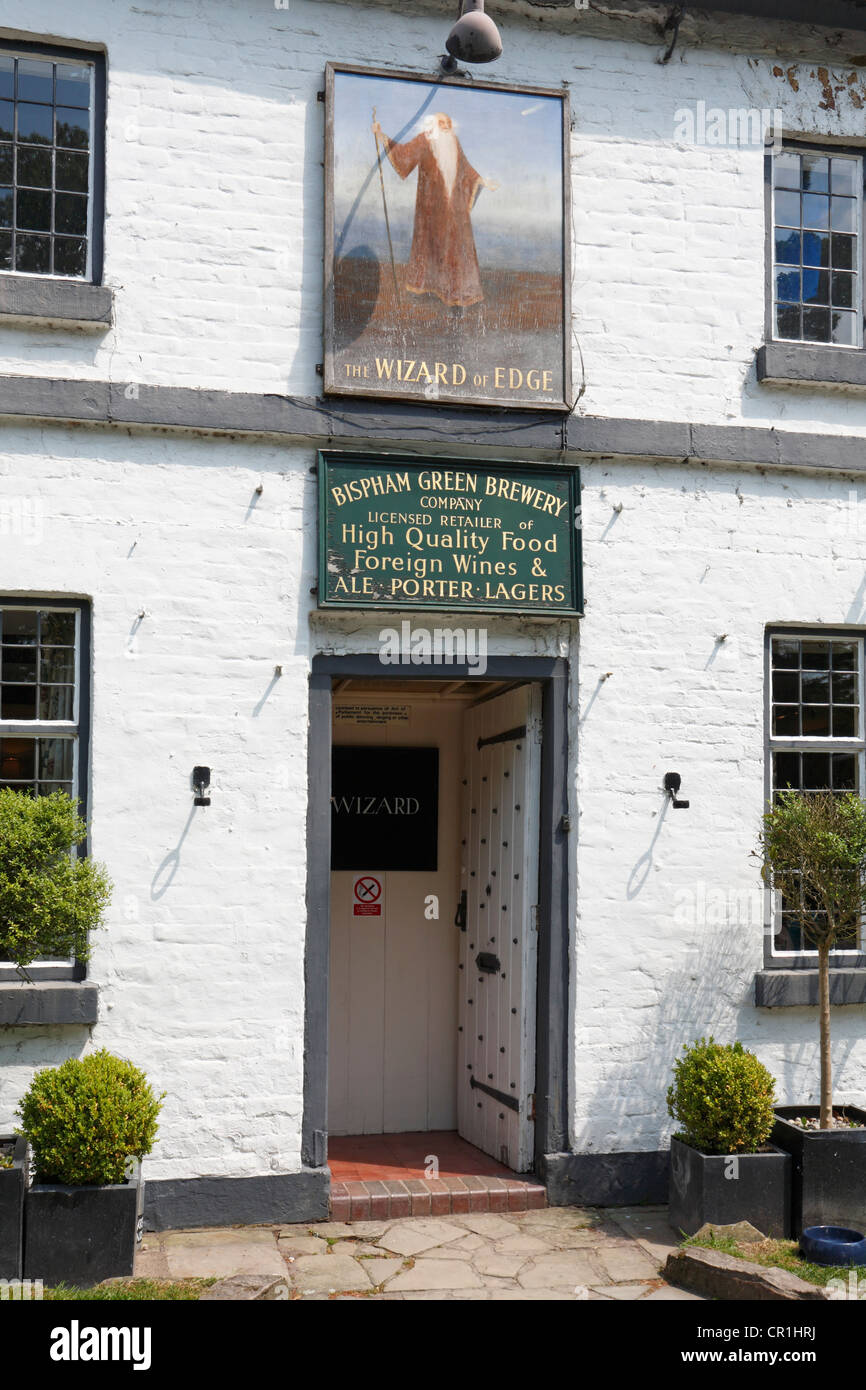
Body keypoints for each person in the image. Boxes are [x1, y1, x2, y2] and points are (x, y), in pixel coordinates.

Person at [372, 111, 498, 308]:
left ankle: (455, 291)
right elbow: (404, 155)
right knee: (430, 246)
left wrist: (481, 180)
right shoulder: (425, 140)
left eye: (448, 122)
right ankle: (427, 287)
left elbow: (465, 168)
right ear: (433, 125)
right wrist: (382, 136)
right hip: (431, 208)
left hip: (455, 208)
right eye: (442, 122)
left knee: (456, 247)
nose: (447, 125)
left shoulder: (454, 142)